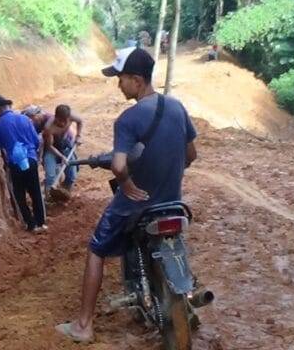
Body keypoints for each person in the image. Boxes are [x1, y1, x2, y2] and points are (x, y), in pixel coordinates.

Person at [55, 47, 197, 343]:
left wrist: (129, 185)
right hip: (172, 202)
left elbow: (119, 165)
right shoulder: (177, 107)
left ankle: (83, 325)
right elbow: (191, 154)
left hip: (137, 206)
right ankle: (185, 297)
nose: (118, 84)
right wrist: (163, 172)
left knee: (96, 249)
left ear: (137, 80)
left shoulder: (128, 119)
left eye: (121, 79)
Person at [0, 94, 47, 232]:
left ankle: (30, 224)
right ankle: (41, 223)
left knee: (19, 194)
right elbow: (36, 141)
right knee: (35, 192)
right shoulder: (25, 119)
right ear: (9, 106)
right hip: (31, 159)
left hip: (15, 163)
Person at [42, 104, 82, 197]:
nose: (63, 124)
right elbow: (49, 146)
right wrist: (61, 157)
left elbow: (80, 121)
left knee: (72, 175)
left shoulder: (71, 116)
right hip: (51, 149)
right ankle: (49, 197)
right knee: (50, 176)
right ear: (55, 117)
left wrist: (78, 136)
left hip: (65, 145)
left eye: (65, 121)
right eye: (60, 121)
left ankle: (65, 192)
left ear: (69, 118)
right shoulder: (49, 128)